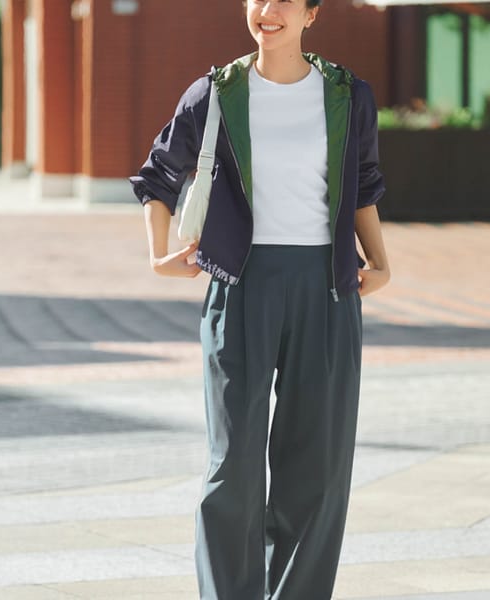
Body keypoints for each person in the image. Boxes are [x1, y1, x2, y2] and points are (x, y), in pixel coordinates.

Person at [129, 1, 390, 597]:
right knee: (233, 466)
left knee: (317, 467)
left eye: (285, 1)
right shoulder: (216, 93)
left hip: (327, 288)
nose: (268, 11)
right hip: (239, 285)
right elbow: (158, 176)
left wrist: (380, 260)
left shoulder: (348, 95)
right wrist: (158, 253)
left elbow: (363, 185)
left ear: (311, 14)